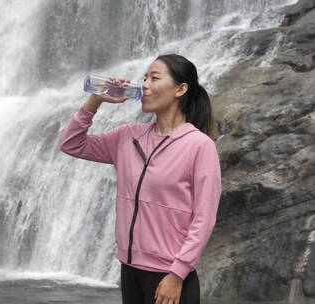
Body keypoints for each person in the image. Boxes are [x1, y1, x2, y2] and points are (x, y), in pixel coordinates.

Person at [59, 53, 222, 304]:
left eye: (154, 78)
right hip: (130, 268)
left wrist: (177, 274)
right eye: (144, 78)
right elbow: (72, 144)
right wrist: (95, 100)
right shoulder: (127, 137)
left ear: (181, 89)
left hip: (170, 275)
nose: (144, 84)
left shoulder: (199, 146)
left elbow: (204, 218)